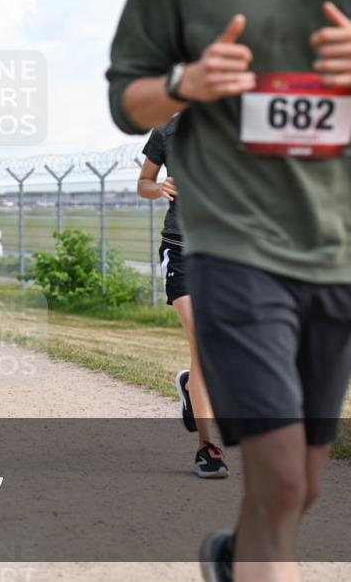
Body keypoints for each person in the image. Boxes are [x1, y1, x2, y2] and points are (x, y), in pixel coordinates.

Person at [106, 0, 351, 580]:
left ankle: (237, 558)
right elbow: (129, 100)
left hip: (339, 252)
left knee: (300, 485)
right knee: (284, 479)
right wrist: (188, 83)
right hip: (227, 246)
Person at [137, 113, 228, 479]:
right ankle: (208, 448)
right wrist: (158, 188)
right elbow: (143, 182)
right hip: (181, 250)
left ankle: (191, 385)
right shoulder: (166, 130)